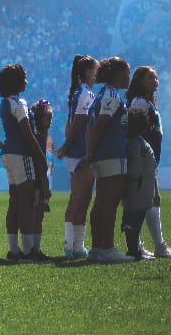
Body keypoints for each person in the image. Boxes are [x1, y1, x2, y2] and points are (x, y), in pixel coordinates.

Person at [123, 66, 171, 259]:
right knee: (147, 200)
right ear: (140, 80)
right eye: (150, 77)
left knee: (148, 200)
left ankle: (145, 246)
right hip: (142, 157)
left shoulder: (148, 101)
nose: (155, 80)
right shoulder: (139, 102)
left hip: (149, 157)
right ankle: (155, 246)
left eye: (156, 77)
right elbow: (133, 129)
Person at [80, 56, 134, 264]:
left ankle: (97, 247)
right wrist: (90, 153)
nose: (128, 77)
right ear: (119, 74)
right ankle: (108, 248)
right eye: (127, 72)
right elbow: (100, 125)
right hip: (112, 153)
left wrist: (91, 153)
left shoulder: (101, 94)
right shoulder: (112, 95)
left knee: (101, 202)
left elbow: (90, 127)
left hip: (102, 154)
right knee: (109, 203)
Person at [0, 64, 44, 261]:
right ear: (16, 81)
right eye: (23, 77)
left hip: (8, 154)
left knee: (14, 201)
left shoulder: (4, 103)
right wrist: (40, 155)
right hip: (20, 154)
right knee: (27, 203)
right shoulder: (19, 103)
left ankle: (14, 250)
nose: (26, 80)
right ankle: (28, 250)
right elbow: (27, 132)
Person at [56, 55, 98, 258]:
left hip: (74, 150)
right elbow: (79, 122)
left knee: (75, 199)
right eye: (96, 70)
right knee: (82, 199)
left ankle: (70, 244)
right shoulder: (86, 93)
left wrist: (66, 143)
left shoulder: (78, 91)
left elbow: (69, 123)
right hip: (80, 151)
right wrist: (67, 144)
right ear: (89, 72)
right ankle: (77, 247)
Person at [122, 110, 158, 261]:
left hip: (136, 189)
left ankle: (134, 250)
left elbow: (135, 169)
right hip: (140, 189)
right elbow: (137, 169)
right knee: (135, 222)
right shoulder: (141, 144)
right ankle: (134, 251)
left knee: (133, 222)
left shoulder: (133, 144)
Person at [28, 100, 55, 260]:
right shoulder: (38, 136)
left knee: (39, 215)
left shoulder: (44, 135)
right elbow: (40, 163)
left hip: (42, 178)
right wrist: (44, 185)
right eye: (47, 118)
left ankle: (35, 249)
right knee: (35, 215)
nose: (50, 122)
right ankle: (33, 249)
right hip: (37, 180)